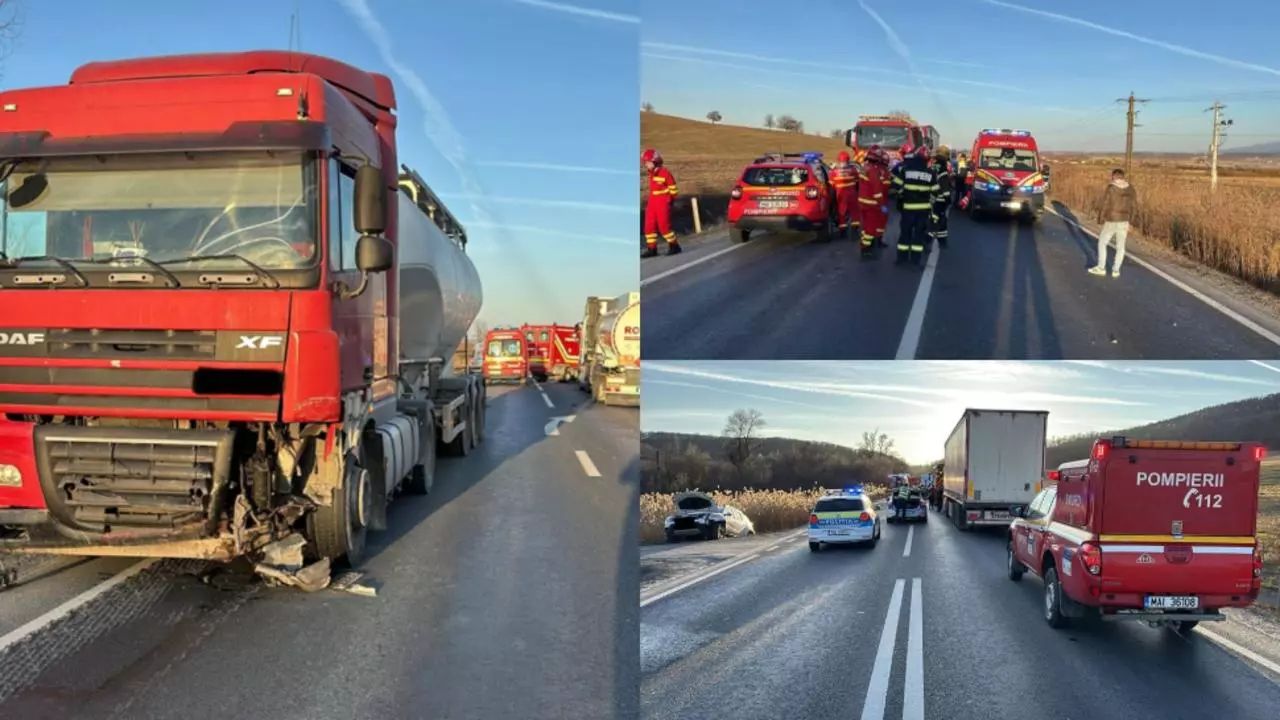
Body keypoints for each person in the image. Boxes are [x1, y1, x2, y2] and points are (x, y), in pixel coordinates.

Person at [891, 145, 939, 265]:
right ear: (927, 160)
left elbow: (895, 186)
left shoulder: (906, 170)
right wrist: (930, 202)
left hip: (907, 209)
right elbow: (936, 191)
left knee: (905, 234)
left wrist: (901, 194)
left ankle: (901, 259)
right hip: (923, 211)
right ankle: (915, 261)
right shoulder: (931, 173)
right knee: (918, 236)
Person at [1089, 168, 1137, 278]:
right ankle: (1116, 270)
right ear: (1123, 177)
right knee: (1121, 246)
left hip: (1112, 219)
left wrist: (1100, 219)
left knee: (1102, 243)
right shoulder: (1131, 189)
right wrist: (1132, 222)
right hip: (1124, 221)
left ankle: (1101, 268)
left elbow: (1105, 204)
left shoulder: (1111, 188)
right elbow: (1135, 206)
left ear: (1114, 177)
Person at [642, 148, 681, 258]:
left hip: (662, 202)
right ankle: (652, 249)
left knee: (664, 226)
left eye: (648, 163)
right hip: (652, 202)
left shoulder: (665, 173)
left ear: (655, 161)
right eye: (645, 163)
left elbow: (673, 190)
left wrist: (669, 201)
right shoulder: (652, 173)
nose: (646, 165)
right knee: (649, 226)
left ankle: (674, 246)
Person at [857, 146, 891, 253]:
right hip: (872, 204)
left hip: (863, 202)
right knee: (871, 228)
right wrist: (882, 205)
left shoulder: (865, 167)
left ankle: (870, 243)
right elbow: (877, 190)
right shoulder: (874, 170)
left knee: (866, 226)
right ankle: (866, 248)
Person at [829, 151, 860, 241]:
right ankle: (854, 231)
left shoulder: (834, 172)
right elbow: (858, 181)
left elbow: (831, 186)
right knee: (855, 213)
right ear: (848, 159)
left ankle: (843, 232)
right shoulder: (853, 170)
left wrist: (832, 198)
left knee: (841, 213)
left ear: (839, 160)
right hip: (852, 194)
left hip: (841, 195)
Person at [928, 145, 953, 250]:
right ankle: (929, 240)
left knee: (934, 219)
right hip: (940, 199)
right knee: (939, 220)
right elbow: (944, 184)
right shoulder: (943, 168)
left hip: (930, 197)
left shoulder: (931, 165)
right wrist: (948, 198)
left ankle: (937, 240)